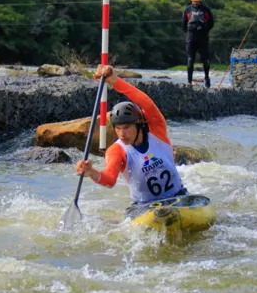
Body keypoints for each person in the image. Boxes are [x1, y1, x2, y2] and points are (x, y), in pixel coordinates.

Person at [75, 65, 189, 206]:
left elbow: (146, 103)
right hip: (145, 207)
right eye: (118, 128)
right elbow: (110, 180)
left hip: (179, 196)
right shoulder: (116, 150)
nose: (122, 134)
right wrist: (92, 172)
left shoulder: (157, 131)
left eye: (127, 127)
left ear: (139, 123)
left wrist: (115, 81)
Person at [181, 0, 215, 88]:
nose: (196, 2)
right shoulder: (203, 10)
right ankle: (191, 81)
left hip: (195, 37)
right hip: (197, 37)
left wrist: (190, 32)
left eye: (197, 1)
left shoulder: (189, 10)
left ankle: (205, 79)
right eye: (195, 1)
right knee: (192, 59)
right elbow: (211, 24)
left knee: (202, 59)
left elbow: (183, 25)